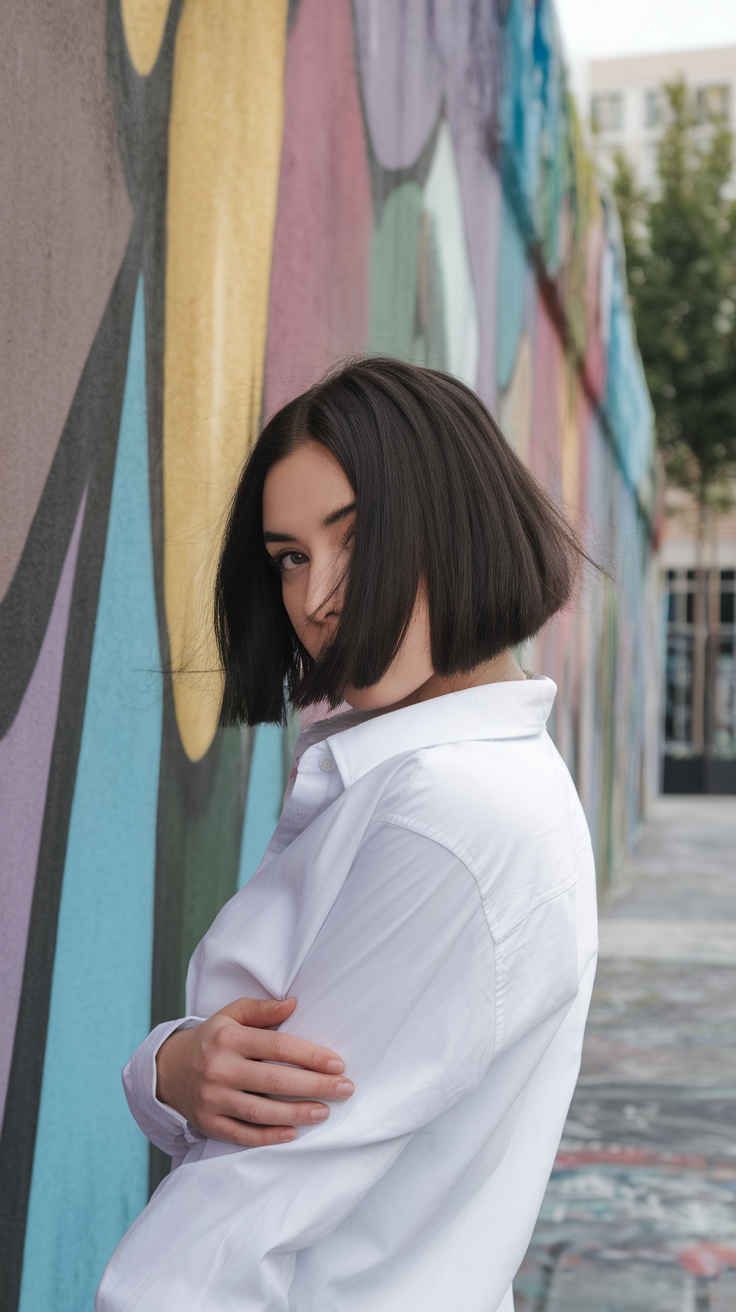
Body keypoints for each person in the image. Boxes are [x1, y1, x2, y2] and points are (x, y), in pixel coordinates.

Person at [96, 358, 598, 1312]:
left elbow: (254, 1200)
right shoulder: (435, 780)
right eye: (289, 555)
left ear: (458, 524)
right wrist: (168, 1068)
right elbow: (258, 1104)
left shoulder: (454, 813)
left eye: (354, 539)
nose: (317, 596)